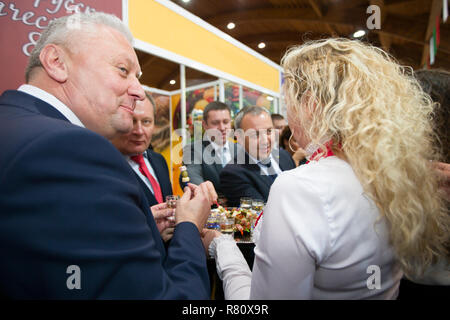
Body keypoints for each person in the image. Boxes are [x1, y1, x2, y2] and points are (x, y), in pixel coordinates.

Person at [205, 38, 450, 299]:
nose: (267, 138)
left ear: (308, 103)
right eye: (256, 134)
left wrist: (221, 246)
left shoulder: (299, 182)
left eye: (288, 100)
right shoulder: (391, 172)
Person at [0, 12, 216, 299]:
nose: (139, 91)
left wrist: (140, 225)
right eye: (122, 70)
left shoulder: (16, 124)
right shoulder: (71, 148)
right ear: (56, 62)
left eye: (138, 77)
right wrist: (189, 225)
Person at [110, 92, 175, 243]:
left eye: (146, 122)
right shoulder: (107, 167)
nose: (139, 131)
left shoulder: (159, 160)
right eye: (132, 121)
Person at [219, 106, 296, 207]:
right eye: (255, 134)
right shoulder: (233, 174)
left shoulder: (285, 156)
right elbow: (260, 215)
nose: (264, 140)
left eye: (269, 131)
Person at [181, 101, 236, 195]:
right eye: (215, 123)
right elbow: (192, 176)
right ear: (205, 125)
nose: (222, 128)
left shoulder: (239, 149)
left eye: (226, 122)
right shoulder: (193, 150)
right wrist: (202, 190)